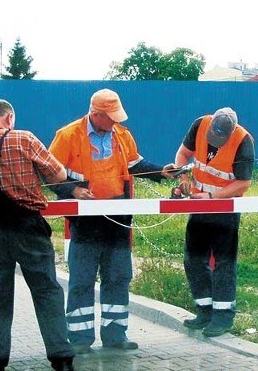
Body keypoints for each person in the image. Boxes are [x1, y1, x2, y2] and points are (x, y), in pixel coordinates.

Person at [0, 99, 75, 371]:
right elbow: (58, 175)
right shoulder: (23, 138)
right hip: (27, 227)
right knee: (46, 291)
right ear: (9, 118)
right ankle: (62, 358)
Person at [48, 88, 169, 354]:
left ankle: (116, 336)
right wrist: (73, 191)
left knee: (118, 277)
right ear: (96, 114)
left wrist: (161, 171)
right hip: (86, 222)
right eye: (111, 117)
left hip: (118, 220)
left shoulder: (122, 136)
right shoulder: (67, 136)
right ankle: (79, 340)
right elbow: (50, 173)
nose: (116, 122)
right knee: (82, 279)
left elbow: (136, 164)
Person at [168, 106, 255, 337]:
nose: (215, 140)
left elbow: (243, 183)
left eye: (220, 138)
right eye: (213, 136)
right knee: (193, 260)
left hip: (225, 208)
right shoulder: (200, 124)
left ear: (231, 131)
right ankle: (205, 311)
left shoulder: (243, 141)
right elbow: (182, 154)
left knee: (224, 263)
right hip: (199, 205)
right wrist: (183, 175)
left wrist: (211, 196)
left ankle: (223, 317)